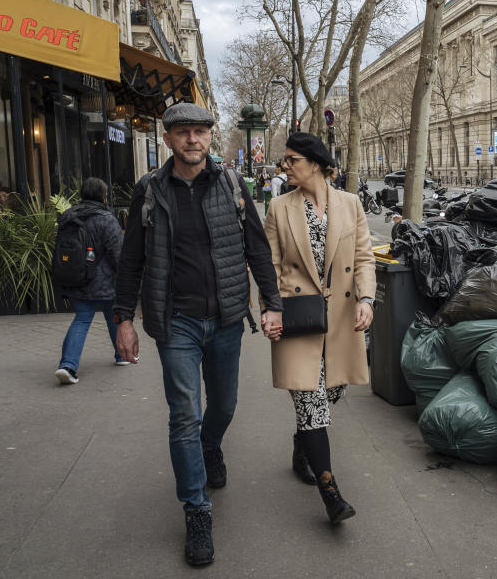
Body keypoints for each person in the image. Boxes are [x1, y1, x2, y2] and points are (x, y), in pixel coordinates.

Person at [114, 103, 283, 567]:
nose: (193, 139)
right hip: (176, 323)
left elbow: (258, 251)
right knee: (184, 416)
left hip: (228, 317)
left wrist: (272, 303)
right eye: (183, 132)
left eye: (201, 131)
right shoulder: (150, 190)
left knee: (224, 405)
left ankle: (211, 447)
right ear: (167, 139)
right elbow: (130, 260)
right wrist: (123, 319)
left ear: (211, 136)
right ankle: (196, 510)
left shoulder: (232, 185)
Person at [264, 132, 376, 525]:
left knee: (331, 393)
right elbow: (270, 266)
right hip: (298, 318)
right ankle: (330, 492)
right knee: (311, 402)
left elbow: (363, 258)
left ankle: (302, 446)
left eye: (292, 159)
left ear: (314, 162)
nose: (286, 165)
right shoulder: (279, 207)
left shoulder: (351, 204)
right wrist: (270, 310)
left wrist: (366, 299)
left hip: (342, 320)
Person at [54, 178, 126, 384]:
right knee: (113, 315)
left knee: (82, 319)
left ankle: (67, 365)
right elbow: (117, 252)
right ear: (103, 196)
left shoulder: (68, 217)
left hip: (75, 278)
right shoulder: (106, 218)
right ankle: (122, 355)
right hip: (103, 281)